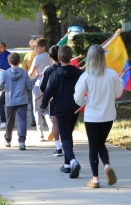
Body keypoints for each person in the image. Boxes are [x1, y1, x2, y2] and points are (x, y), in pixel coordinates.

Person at [73, 44, 123, 188]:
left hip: (92, 117)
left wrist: (85, 101)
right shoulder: (112, 74)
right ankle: (107, 166)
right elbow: (118, 93)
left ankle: (95, 179)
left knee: (93, 146)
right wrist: (120, 80)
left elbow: (77, 98)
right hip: (108, 116)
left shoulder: (86, 76)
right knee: (101, 144)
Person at [42, 45, 84, 176]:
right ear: (71, 57)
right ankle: (66, 165)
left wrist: (43, 104)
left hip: (60, 108)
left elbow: (48, 91)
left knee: (64, 137)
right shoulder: (79, 73)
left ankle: (72, 161)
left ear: (59, 58)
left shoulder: (55, 74)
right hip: (75, 108)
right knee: (68, 134)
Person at [0, 52, 36, 150]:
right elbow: (29, 86)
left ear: (9, 62)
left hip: (10, 101)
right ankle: (22, 141)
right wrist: (36, 78)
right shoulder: (24, 73)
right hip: (22, 100)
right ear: (19, 61)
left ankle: (8, 139)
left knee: (9, 121)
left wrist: (6, 87)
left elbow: (0, 86)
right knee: (22, 121)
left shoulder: (5, 73)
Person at [29, 37, 55, 140]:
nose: (36, 50)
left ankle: (40, 133)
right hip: (49, 85)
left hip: (38, 85)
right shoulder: (49, 57)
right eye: (35, 48)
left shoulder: (37, 58)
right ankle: (50, 125)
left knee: (37, 109)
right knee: (47, 108)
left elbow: (30, 73)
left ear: (44, 47)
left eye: (38, 48)